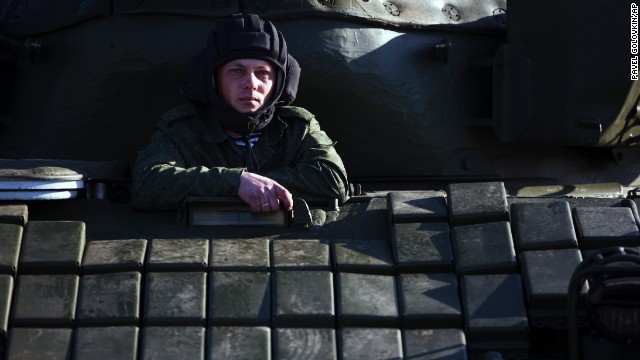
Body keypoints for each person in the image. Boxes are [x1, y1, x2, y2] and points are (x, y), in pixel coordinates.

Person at [130, 13, 349, 212]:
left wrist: (256, 185)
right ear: (213, 78)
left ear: (280, 80)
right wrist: (236, 182)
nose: (250, 84)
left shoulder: (297, 127)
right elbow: (148, 182)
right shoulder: (182, 129)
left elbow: (333, 180)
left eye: (263, 72)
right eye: (236, 71)